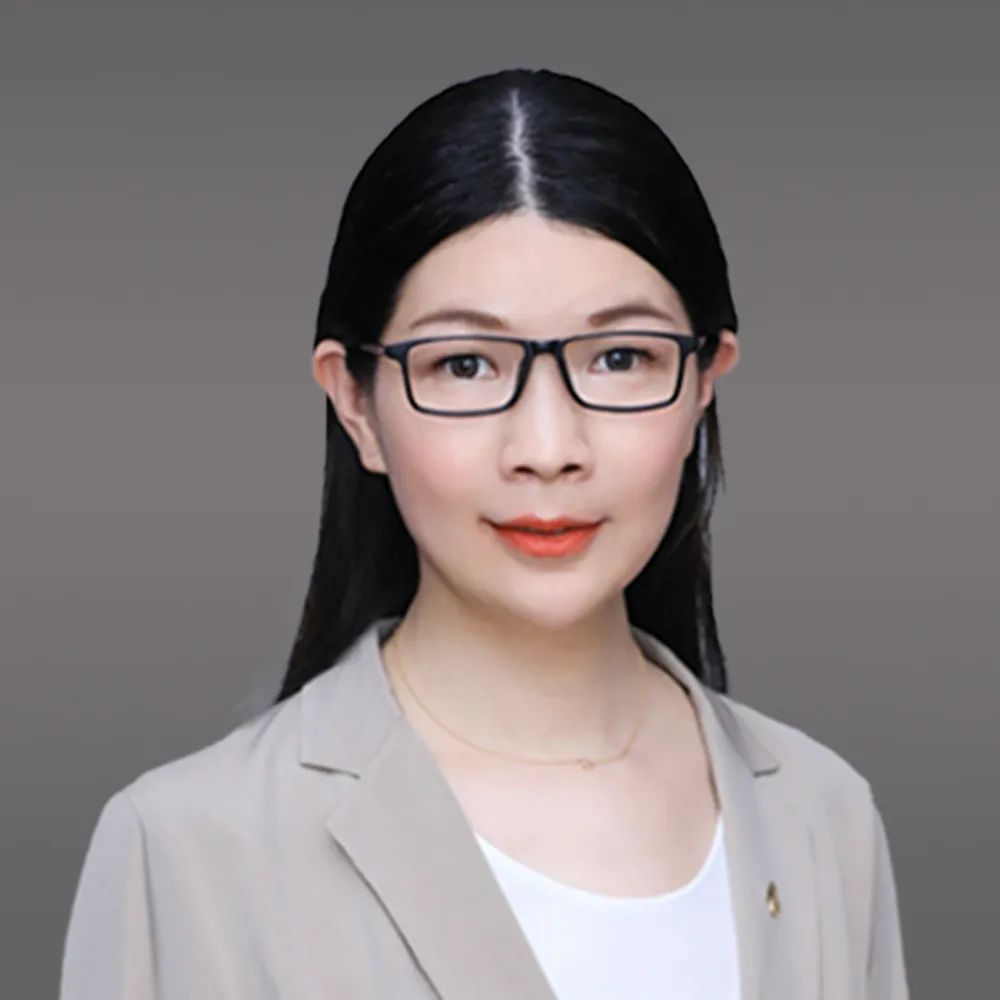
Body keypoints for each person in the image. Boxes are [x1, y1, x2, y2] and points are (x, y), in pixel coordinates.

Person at [59, 67, 909, 999]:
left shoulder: (824, 818)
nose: (547, 450)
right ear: (356, 403)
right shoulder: (187, 851)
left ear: (706, 380)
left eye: (620, 357)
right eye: (465, 364)